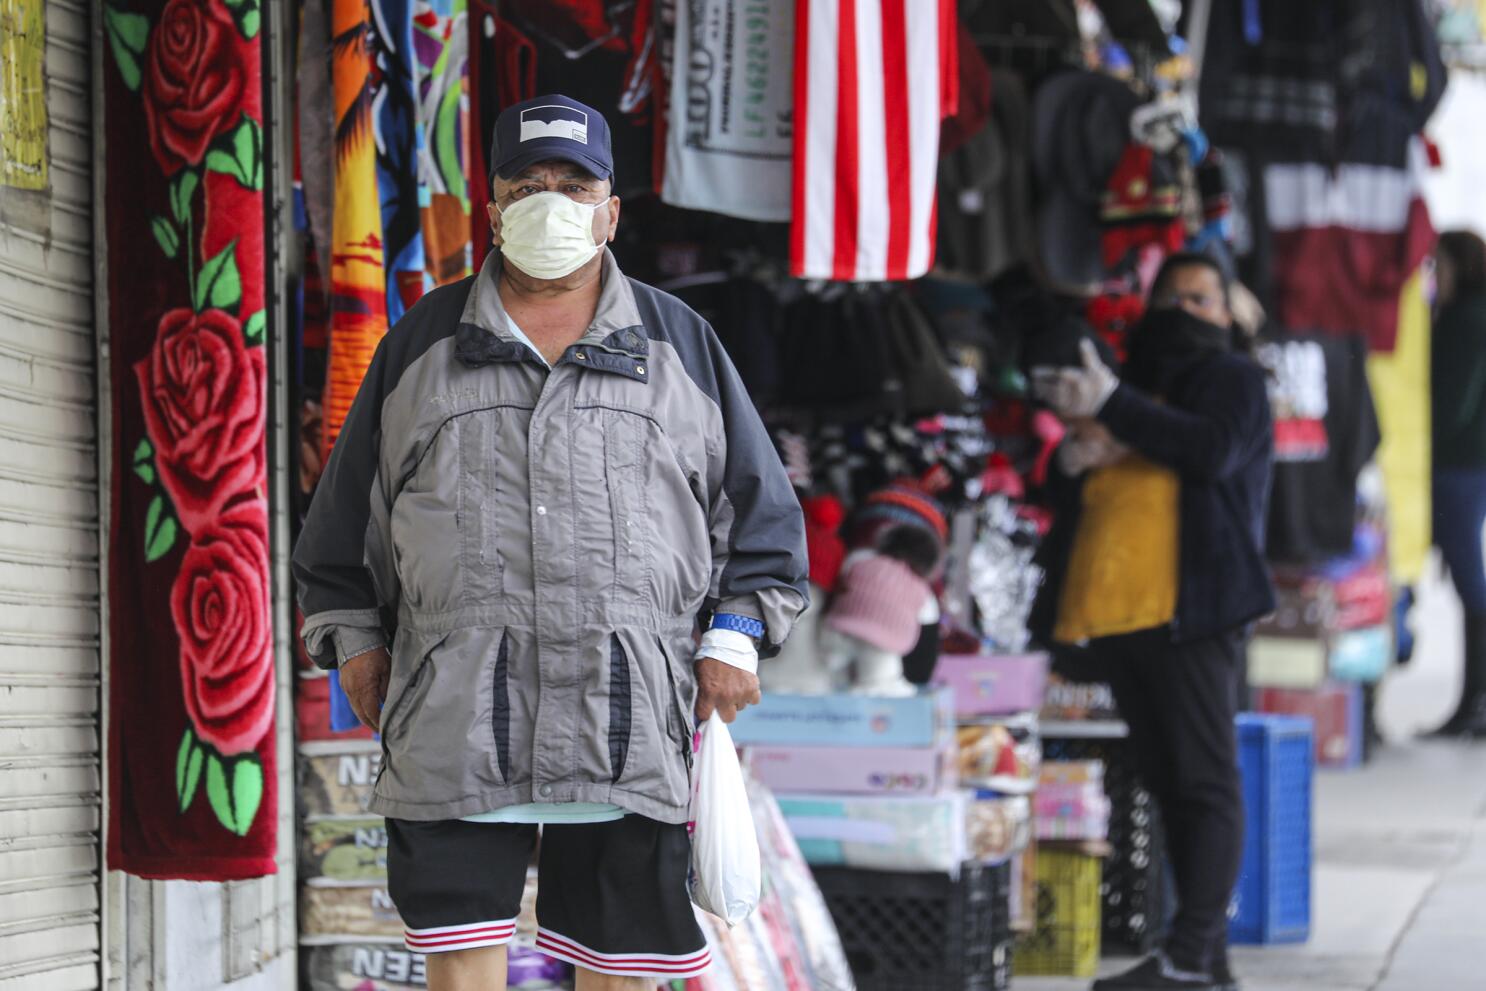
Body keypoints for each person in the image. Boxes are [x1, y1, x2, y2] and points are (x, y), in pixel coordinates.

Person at [292, 95, 808, 991]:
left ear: (612, 209)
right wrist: (360, 646)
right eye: (528, 183)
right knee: (460, 955)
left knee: (624, 960)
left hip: (629, 706)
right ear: (492, 209)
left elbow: (761, 517)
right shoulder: (422, 344)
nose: (552, 200)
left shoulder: (678, 343)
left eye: (576, 183)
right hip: (456, 706)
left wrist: (733, 634)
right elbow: (341, 528)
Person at [1031, 252, 1275, 991]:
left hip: (1190, 612)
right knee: (1169, 784)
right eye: (1170, 295)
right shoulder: (1132, 381)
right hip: (1116, 614)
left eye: (1200, 298)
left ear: (1229, 311)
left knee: (1205, 781)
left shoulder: (1234, 380)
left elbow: (1211, 449)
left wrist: (1116, 410)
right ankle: (1208, 963)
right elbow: (1068, 488)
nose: (1183, 309)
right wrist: (1072, 457)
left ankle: (1191, 953)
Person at [1429, 230, 1486, 738]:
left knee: (1472, 584)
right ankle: (1473, 700)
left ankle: (1476, 700)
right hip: (1465, 465)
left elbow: (1453, 403)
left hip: (1459, 467)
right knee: (1471, 583)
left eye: (1438, 266)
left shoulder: (1468, 319)